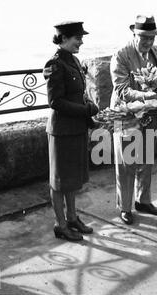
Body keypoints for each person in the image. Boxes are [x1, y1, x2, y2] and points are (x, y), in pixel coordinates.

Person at [43, 21, 99, 241]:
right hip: (61, 132)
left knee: (73, 178)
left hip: (76, 129)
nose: (81, 41)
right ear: (63, 38)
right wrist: (85, 109)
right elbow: (55, 101)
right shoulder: (55, 64)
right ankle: (60, 224)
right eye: (77, 37)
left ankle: (73, 218)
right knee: (58, 181)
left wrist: (88, 106)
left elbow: (78, 93)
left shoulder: (74, 61)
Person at [110, 15, 157, 225]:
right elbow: (122, 90)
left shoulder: (156, 52)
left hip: (149, 115)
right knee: (126, 163)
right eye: (144, 37)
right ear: (134, 33)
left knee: (147, 159)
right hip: (126, 115)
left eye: (152, 37)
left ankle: (143, 201)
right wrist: (148, 96)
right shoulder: (121, 55)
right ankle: (125, 207)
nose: (149, 42)